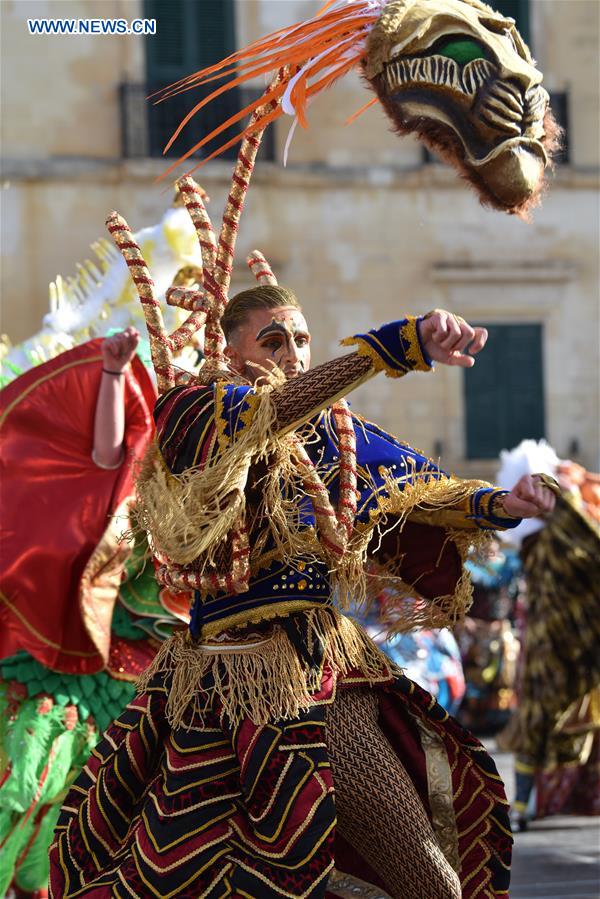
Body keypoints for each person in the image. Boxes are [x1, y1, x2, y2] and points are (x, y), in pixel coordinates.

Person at [49, 289, 556, 899]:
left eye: (302, 340)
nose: (293, 353)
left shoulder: (332, 430)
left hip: (316, 671)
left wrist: (506, 503)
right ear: (229, 352)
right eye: (274, 341)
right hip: (212, 689)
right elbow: (263, 418)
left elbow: (417, 489)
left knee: (427, 876)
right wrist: (390, 348)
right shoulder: (192, 412)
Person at [0, 329, 189, 899]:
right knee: (26, 780)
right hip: (75, 664)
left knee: (77, 815)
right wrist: (112, 375)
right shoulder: (134, 486)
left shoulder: (212, 498)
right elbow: (107, 454)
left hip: (142, 689)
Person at [495, 440, 600, 830]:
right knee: (538, 722)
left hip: (566, 647)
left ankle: (526, 804)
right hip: (555, 648)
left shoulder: (554, 538)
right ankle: (525, 804)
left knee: (541, 722)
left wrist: (569, 497)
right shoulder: (549, 541)